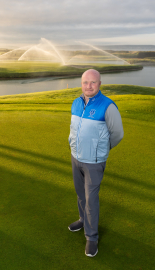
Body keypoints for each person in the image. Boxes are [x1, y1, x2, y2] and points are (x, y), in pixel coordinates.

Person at [68, 69, 123, 257]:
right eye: (85, 82)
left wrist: (102, 150)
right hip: (76, 157)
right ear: (81, 84)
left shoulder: (108, 106)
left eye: (93, 82)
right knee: (80, 193)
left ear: (99, 84)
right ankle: (82, 219)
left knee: (91, 200)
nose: (88, 86)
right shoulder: (76, 103)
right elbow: (74, 129)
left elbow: (117, 134)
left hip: (94, 162)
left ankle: (91, 237)